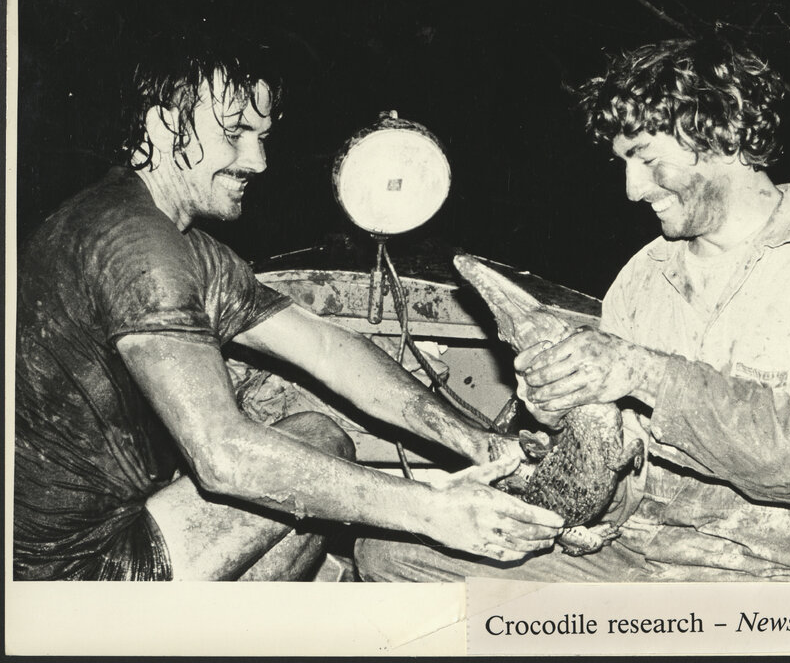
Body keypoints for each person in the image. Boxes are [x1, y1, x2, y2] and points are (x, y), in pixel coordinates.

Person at [356, 36, 790, 582]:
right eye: (623, 162)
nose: (631, 188)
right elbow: (620, 482)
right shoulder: (642, 278)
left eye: (646, 159)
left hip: (763, 572)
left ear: (720, 133)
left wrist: (642, 370)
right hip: (630, 557)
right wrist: (569, 424)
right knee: (391, 552)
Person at [14, 33, 564, 581]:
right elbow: (222, 454)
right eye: (234, 134)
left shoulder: (180, 244)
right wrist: (432, 510)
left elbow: (328, 348)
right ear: (162, 126)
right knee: (314, 453)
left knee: (315, 435)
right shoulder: (134, 243)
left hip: (116, 526)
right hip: (72, 573)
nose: (258, 160)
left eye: (263, 136)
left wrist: (478, 442)